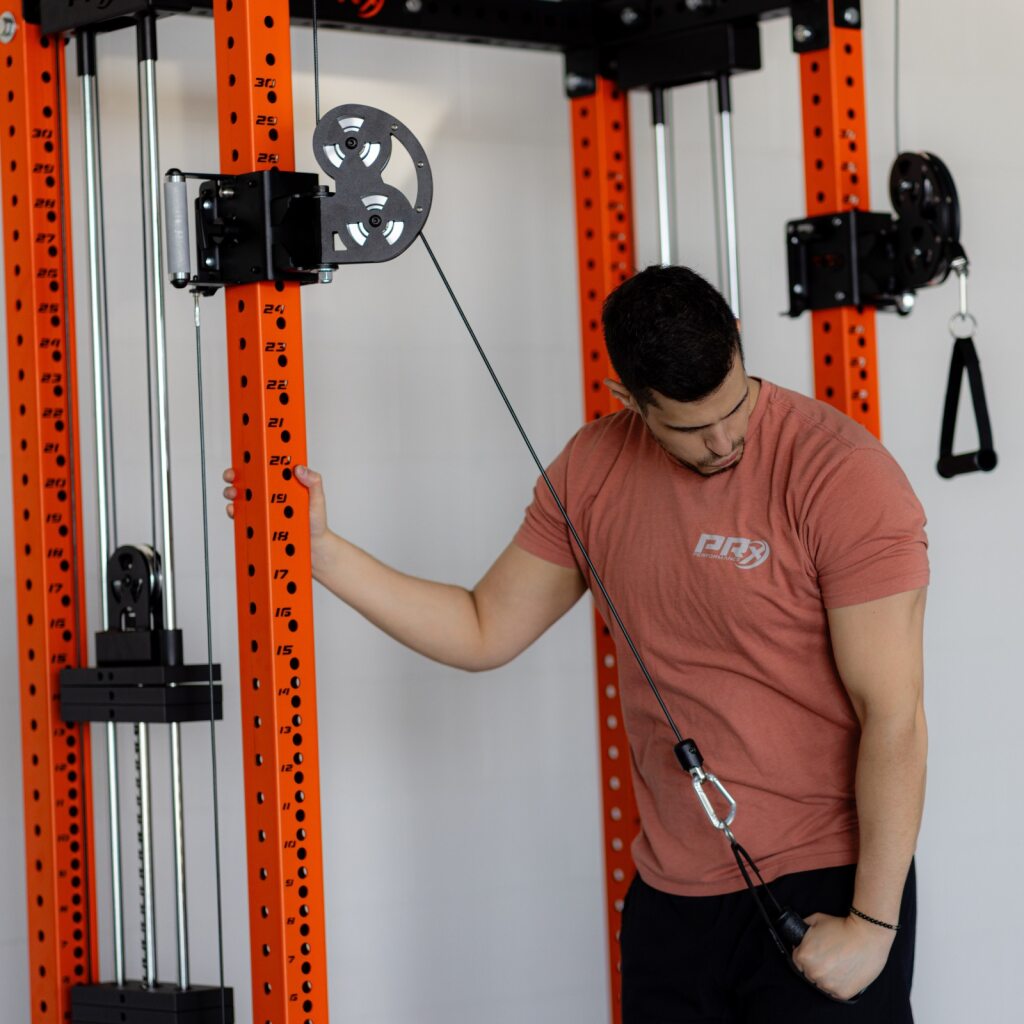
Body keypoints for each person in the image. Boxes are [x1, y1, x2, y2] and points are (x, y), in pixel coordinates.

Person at [223, 266, 928, 1022]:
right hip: (672, 898)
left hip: (823, 887)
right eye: (689, 427)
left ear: (738, 347)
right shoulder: (594, 468)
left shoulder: (840, 475)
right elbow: (482, 626)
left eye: (732, 409)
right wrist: (323, 553)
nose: (724, 442)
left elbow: (893, 712)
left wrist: (873, 925)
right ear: (627, 399)